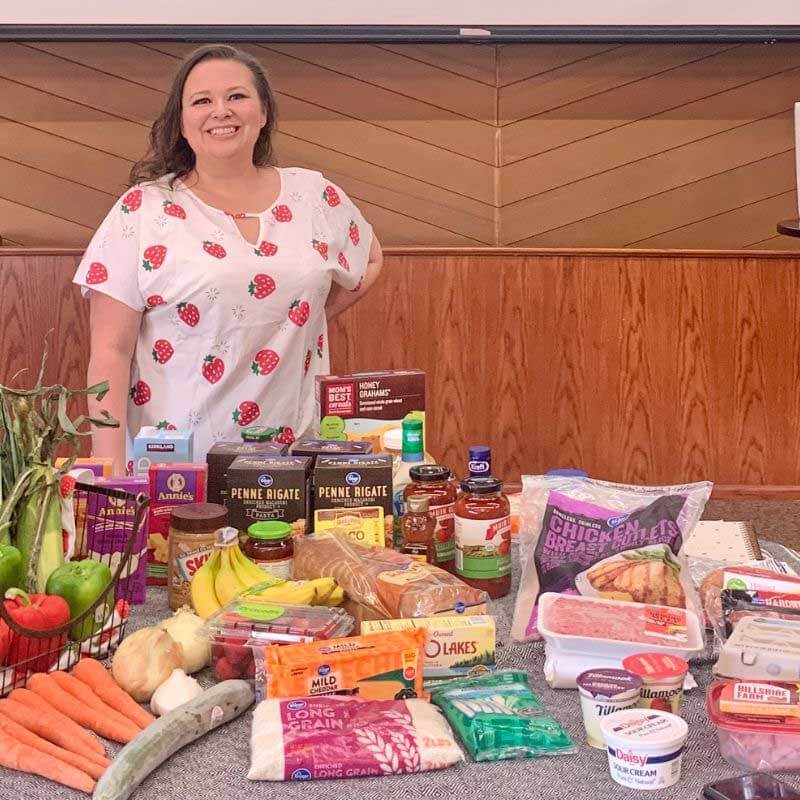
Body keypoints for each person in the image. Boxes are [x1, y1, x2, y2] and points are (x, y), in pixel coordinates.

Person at [73, 44, 383, 471]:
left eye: (236, 96)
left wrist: (299, 318)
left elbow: (368, 260)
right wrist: (107, 473)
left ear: (264, 113)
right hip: (175, 471)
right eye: (202, 101)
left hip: (291, 461)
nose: (221, 111)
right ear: (181, 124)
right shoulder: (141, 210)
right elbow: (110, 349)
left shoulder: (315, 196)